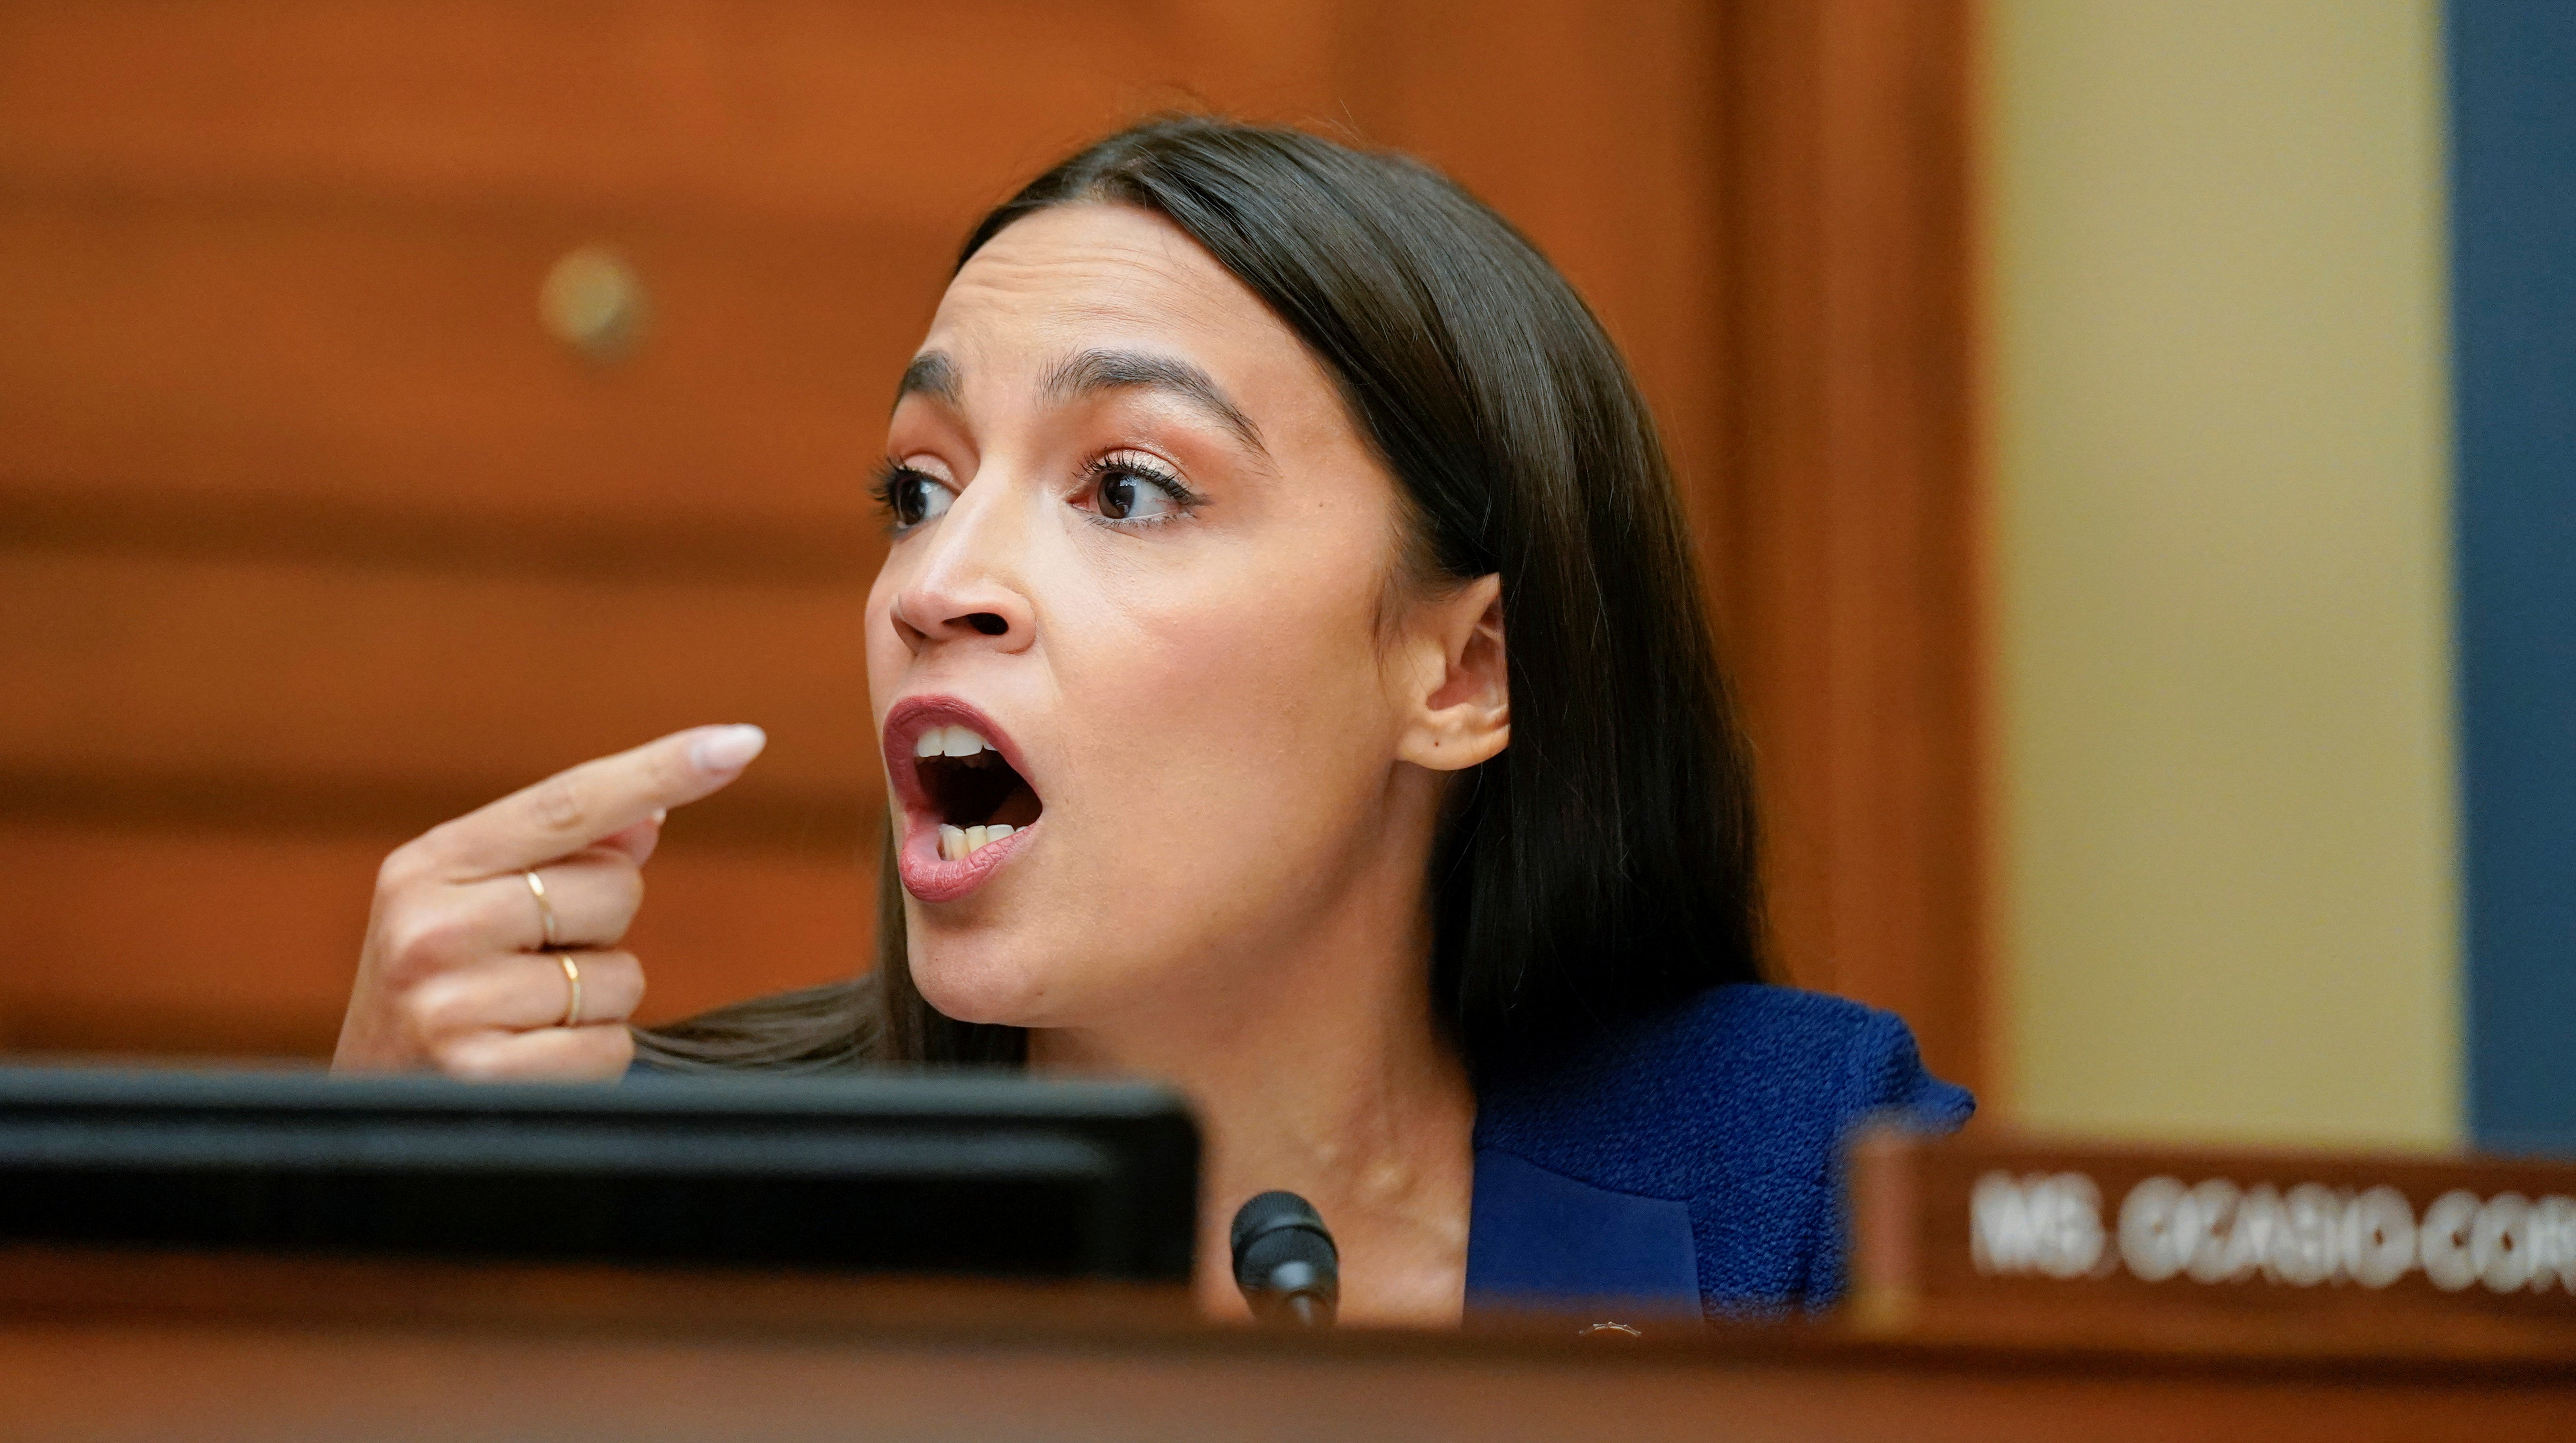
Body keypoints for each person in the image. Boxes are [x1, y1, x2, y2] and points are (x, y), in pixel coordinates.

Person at [333, 117, 1971, 1324]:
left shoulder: (1791, 1177)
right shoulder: (662, 1198)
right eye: (920, 484)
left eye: (1127, 487)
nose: (939, 582)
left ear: (1459, 673)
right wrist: (347, 1252)